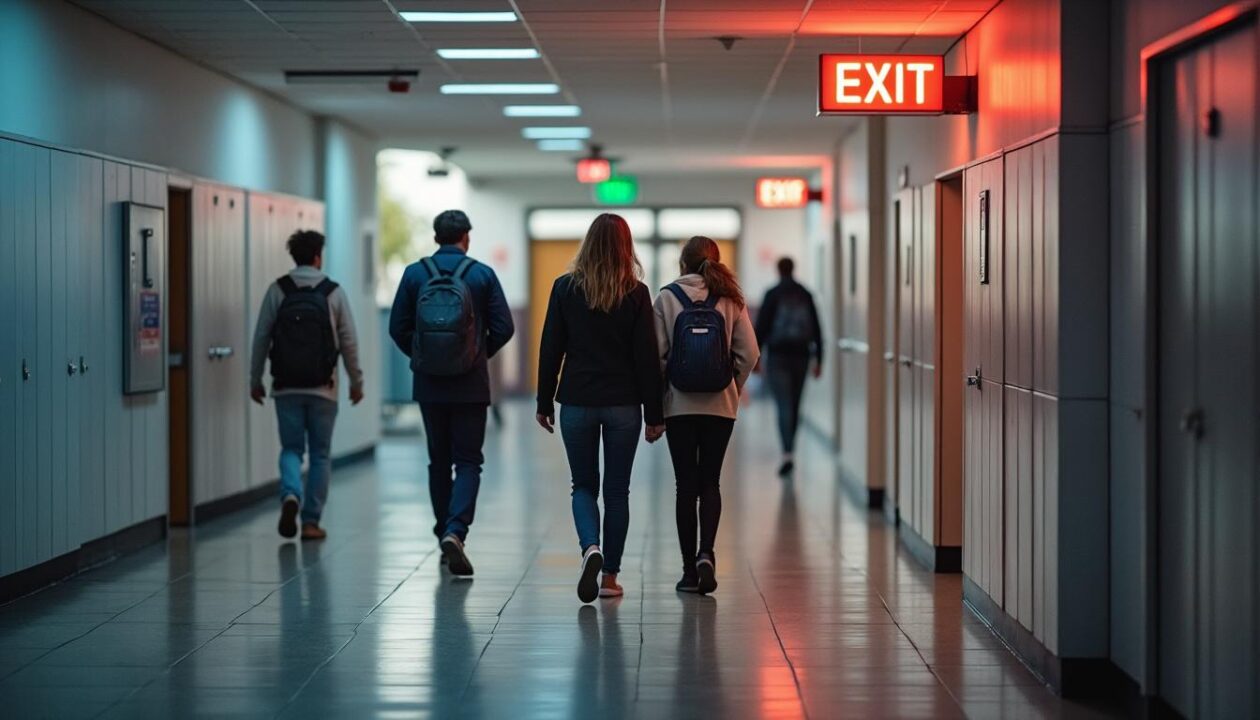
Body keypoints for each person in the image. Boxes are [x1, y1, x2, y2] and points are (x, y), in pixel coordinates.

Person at [536, 213, 665, 604]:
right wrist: (655, 414)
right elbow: (646, 357)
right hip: (624, 405)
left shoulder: (564, 288)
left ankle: (590, 548)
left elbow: (550, 348)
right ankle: (609, 577)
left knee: (583, 486)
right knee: (617, 492)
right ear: (626, 248)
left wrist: (544, 401)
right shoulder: (637, 293)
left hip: (577, 401)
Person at [388, 210, 514, 578]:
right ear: (466, 238)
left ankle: (443, 531)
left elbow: (398, 328)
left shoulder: (414, 274)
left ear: (435, 236)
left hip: (429, 384)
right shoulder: (482, 274)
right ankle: (456, 531)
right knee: (469, 462)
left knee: (438, 462)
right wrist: (476, 355)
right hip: (470, 385)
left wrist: (423, 357)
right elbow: (504, 327)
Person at [654, 236, 760, 595]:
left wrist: (662, 395)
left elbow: (657, 356)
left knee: (686, 485)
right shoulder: (731, 298)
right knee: (710, 482)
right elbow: (750, 353)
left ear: (682, 264)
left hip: (679, 407)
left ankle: (688, 572)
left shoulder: (666, 297)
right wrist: (733, 387)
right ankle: (707, 553)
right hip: (720, 407)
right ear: (716, 262)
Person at [250, 229, 364, 541]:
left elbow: (262, 337)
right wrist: (356, 381)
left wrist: (255, 379)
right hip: (323, 389)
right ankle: (311, 522)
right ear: (318, 256)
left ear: (294, 256)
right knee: (320, 454)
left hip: (285, 387)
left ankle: (290, 494)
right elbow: (349, 343)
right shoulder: (333, 292)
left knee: (290, 448)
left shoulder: (278, 290)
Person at [754, 257, 823, 477]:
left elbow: (761, 327)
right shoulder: (805, 293)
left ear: (778, 270)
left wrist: (755, 359)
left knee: (783, 404)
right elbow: (817, 329)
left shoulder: (772, 294)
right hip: (802, 356)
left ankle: (787, 452)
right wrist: (819, 359)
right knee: (795, 404)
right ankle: (790, 449)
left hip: (778, 356)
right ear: (793, 269)